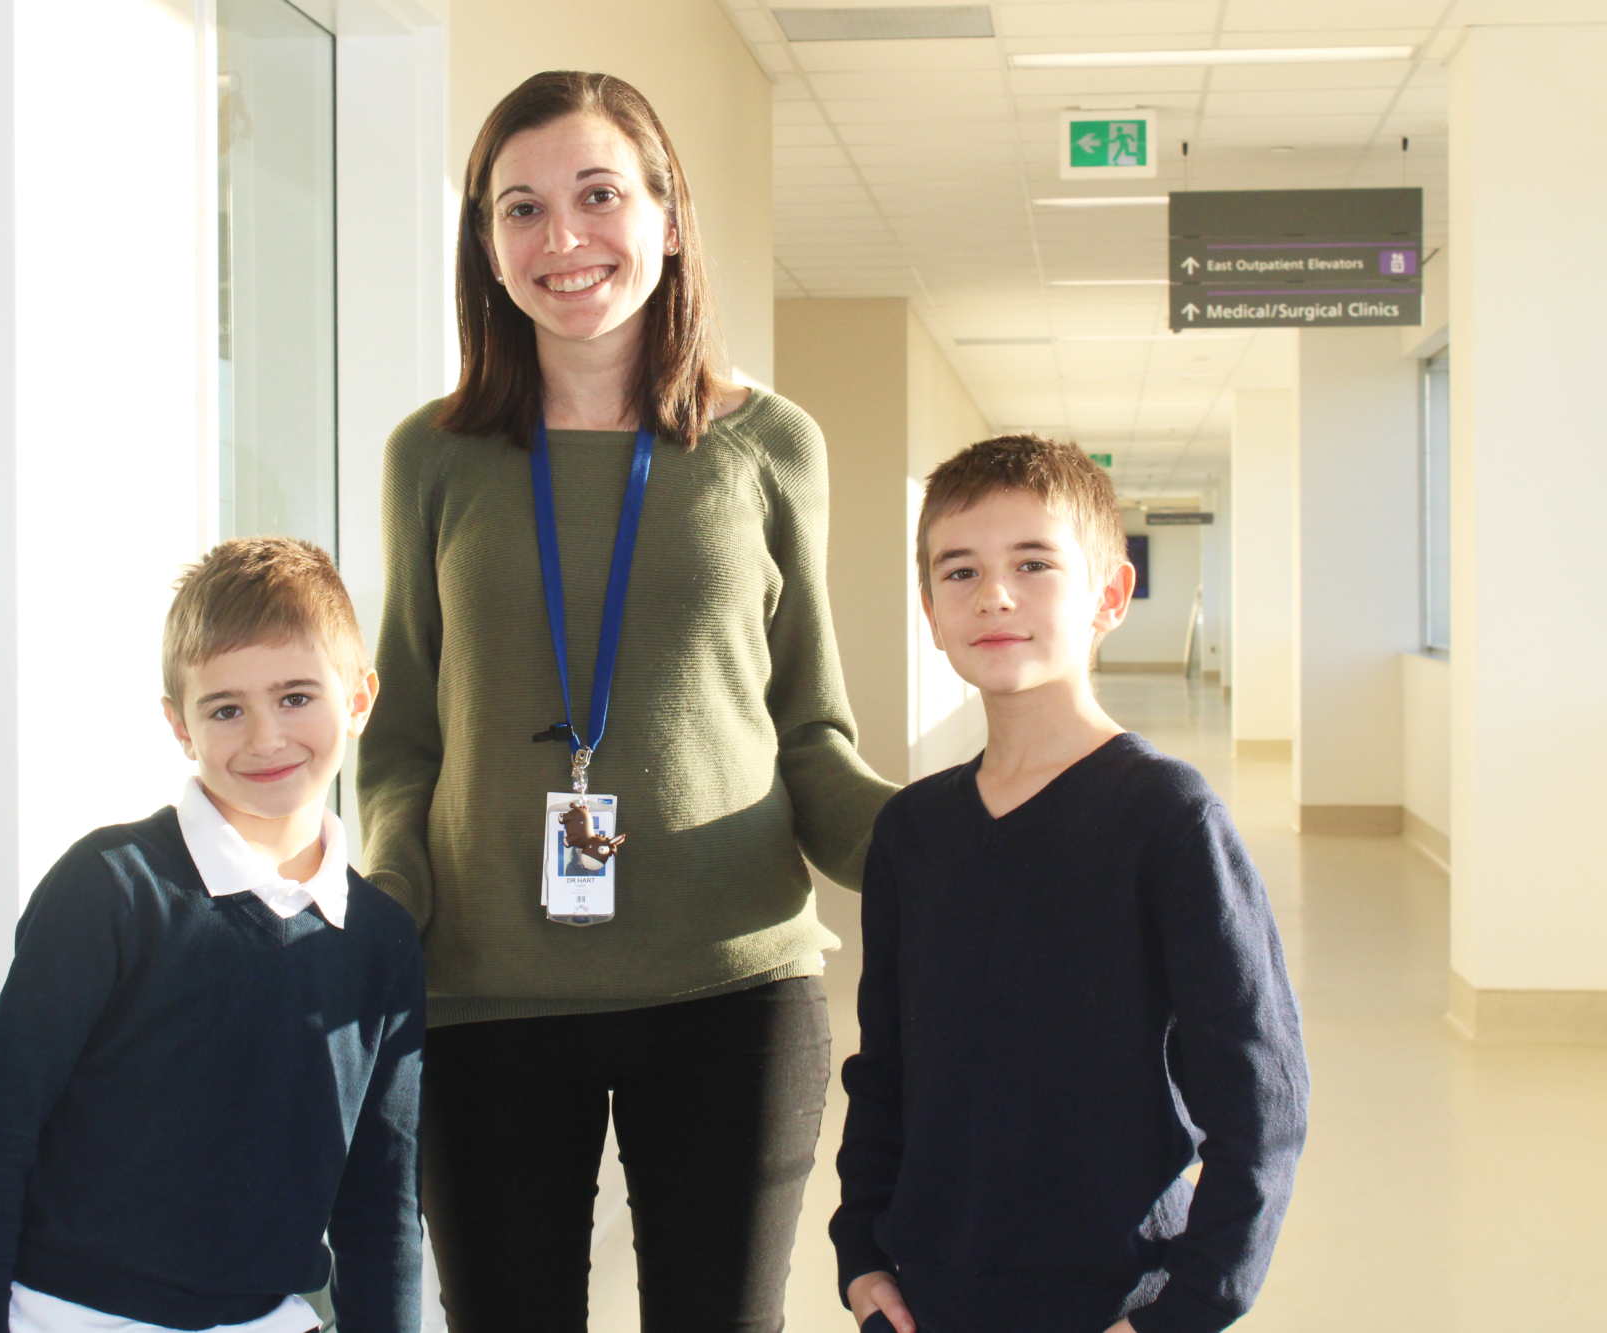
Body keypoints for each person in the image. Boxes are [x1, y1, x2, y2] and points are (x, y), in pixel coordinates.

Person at [358, 70, 897, 1333]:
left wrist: (953, 841)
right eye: (521, 209)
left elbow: (810, 732)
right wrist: (383, 899)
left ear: (665, 215)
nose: (563, 241)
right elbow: (402, 745)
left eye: (599, 196)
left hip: (732, 994)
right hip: (485, 997)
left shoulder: (770, 443)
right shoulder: (431, 455)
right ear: (484, 246)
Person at [831, 436, 1309, 1333]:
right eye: (960, 570)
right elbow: (885, 1068)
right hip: (930, 1292)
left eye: (1034, 563)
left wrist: (1190, 1306)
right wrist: (862, 1251)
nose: (995, 595)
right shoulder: (913, 831)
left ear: (1111, 594)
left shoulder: (1168, 818)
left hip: (1111, 1298)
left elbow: (1261, 1102)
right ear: (930, 608)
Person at [0, 538, 423, 1333]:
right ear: (180, 725)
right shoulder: (109, 888)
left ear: (359, 699)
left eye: (296, 696)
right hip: (65, 1317)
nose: (265, 737)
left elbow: (382, 1212)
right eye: (226, 708)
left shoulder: (381, 943)